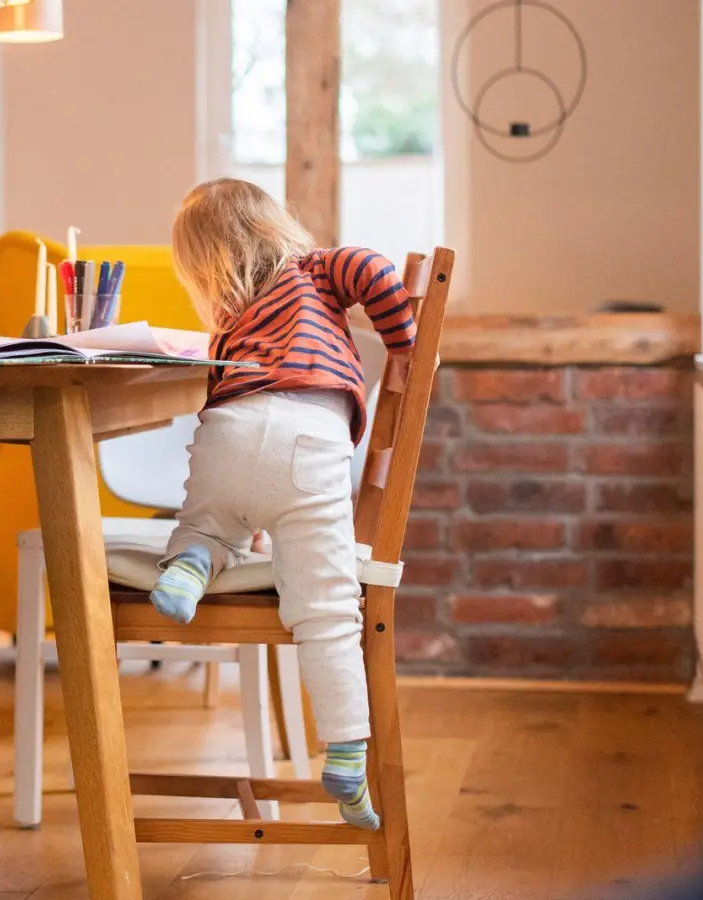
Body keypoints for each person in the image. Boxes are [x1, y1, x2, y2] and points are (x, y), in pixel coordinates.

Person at [150, 178, 417, 830]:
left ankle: (188, 567)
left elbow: (242, 455)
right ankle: (347, 753)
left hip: (228, 433)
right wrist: (404, 345)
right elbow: (375, 269)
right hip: (310, 444)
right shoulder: (316, 268)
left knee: (209, 522)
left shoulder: (231, 324)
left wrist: (246, 520)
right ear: (274, 226)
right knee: (325, 611)